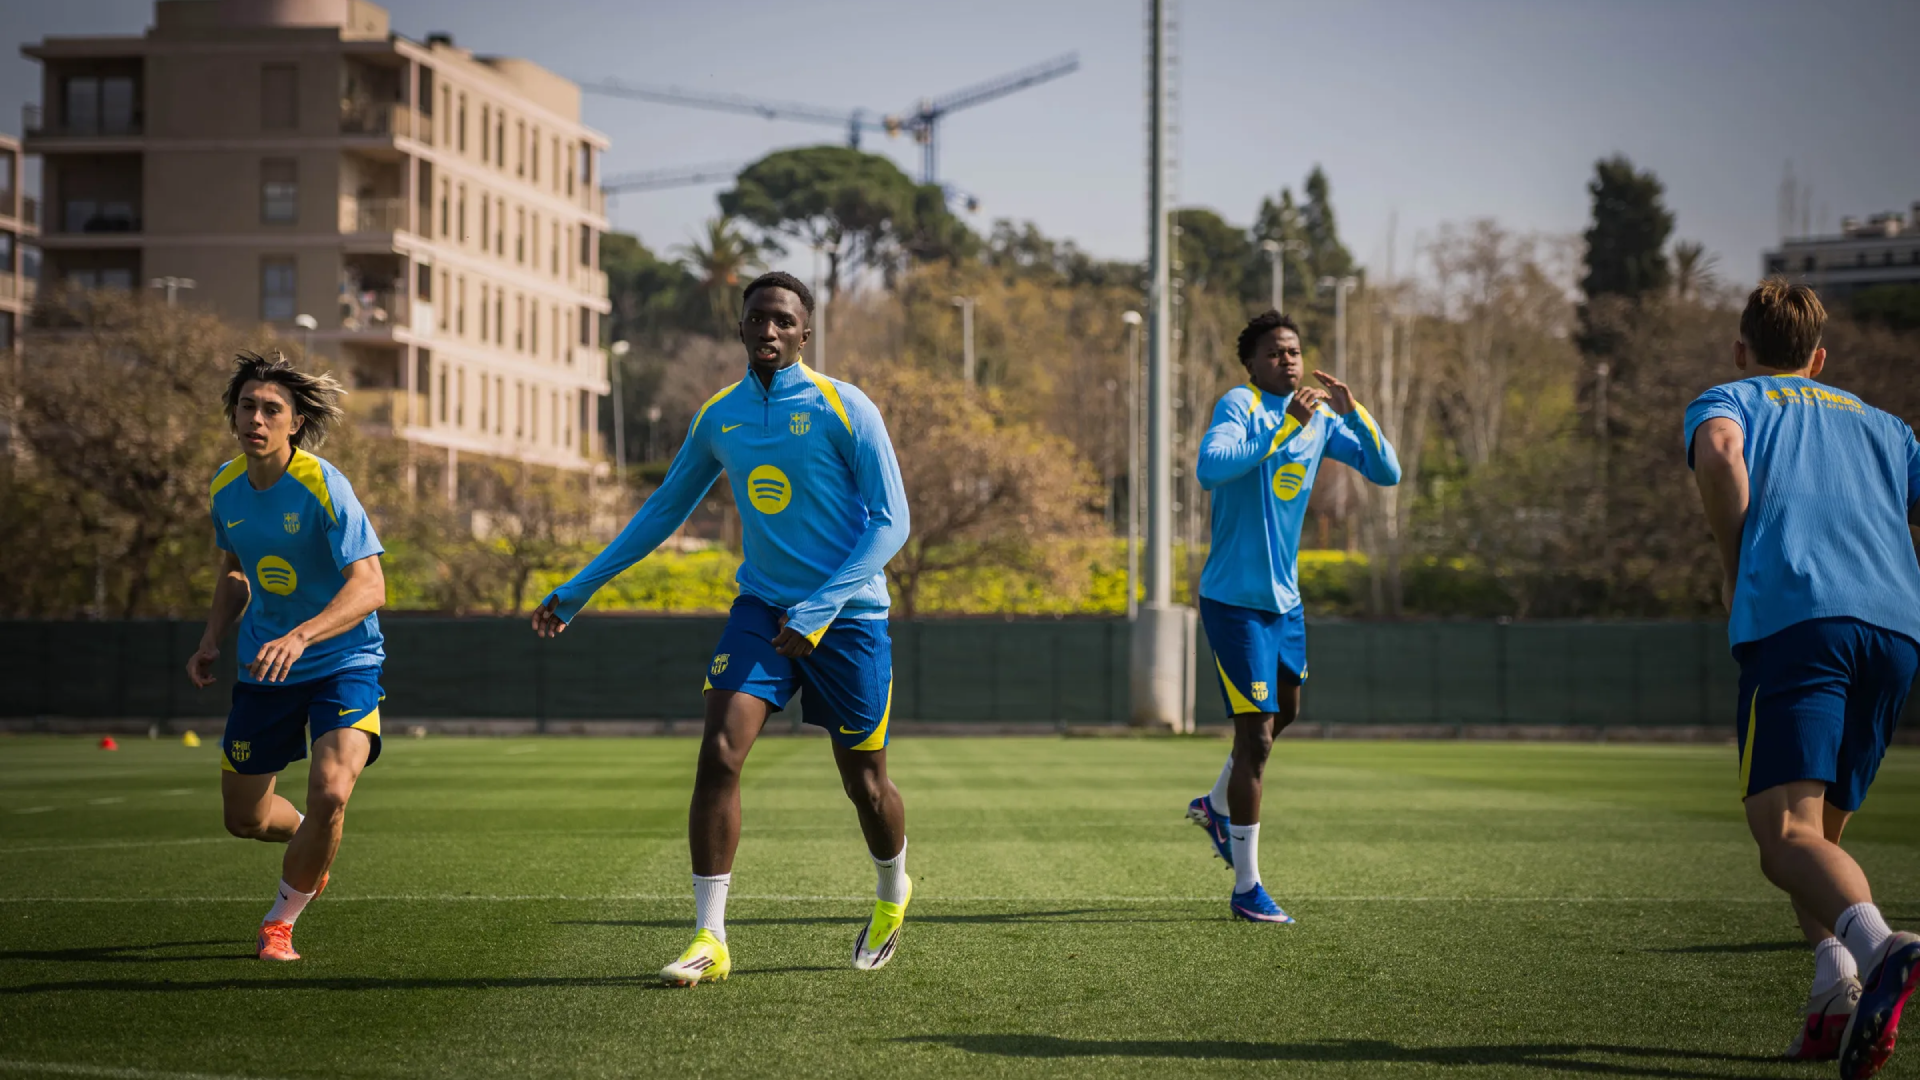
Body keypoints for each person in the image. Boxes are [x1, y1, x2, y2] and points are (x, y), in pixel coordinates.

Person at [533, 271, 912, 986]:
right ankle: (710, 937)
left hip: (850, 618)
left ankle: (893, 893)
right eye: (757, 320)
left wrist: (823, 606)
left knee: (865, 784)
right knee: (720, 749)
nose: (768, 331)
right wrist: (578, 588)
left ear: (805, 334)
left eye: (783, 321)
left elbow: (894, 523)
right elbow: (662, 511)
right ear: (740, 330)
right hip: (762, 611)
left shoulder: (845, 407)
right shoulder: (721, 416)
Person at [1686, 279, 1920, 1076]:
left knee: (1783, 838)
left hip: (1800, 623)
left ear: (1742, 351)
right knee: (1820, 841)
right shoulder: (1886, 424)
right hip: (1895, 632)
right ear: (1818, 359)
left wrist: (1735, 561)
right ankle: (1834, 992)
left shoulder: (1733, 397)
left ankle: (1881, 949)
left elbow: (1720, 454)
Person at [1184, 310, 1400, 923]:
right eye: (1276, 353)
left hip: (1286, 603)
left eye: (1295, 352)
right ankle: (1247, 889)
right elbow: (1211, 468)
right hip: (1233, 600)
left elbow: (1388, 471)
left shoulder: (1322, 419)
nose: (1289, 360)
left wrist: (1353, 411)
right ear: (1251, 364)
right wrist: (1284, 428)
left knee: (1285, 716)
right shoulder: (1238, 406)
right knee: (1255, 737)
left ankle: (1215, 804)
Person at [185, 351, 388, 962]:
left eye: (272, 409)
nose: (257, 418)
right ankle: (310, 841)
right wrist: (212, 638)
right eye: (247, 406)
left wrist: (302, 635)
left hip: (344, 662)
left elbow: (371, 585)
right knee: (243, 820)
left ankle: (280, 920)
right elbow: (236, 571)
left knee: (332, 790)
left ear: (295, 421)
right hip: (263, 668)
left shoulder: (325, 485)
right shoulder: (225, 486)